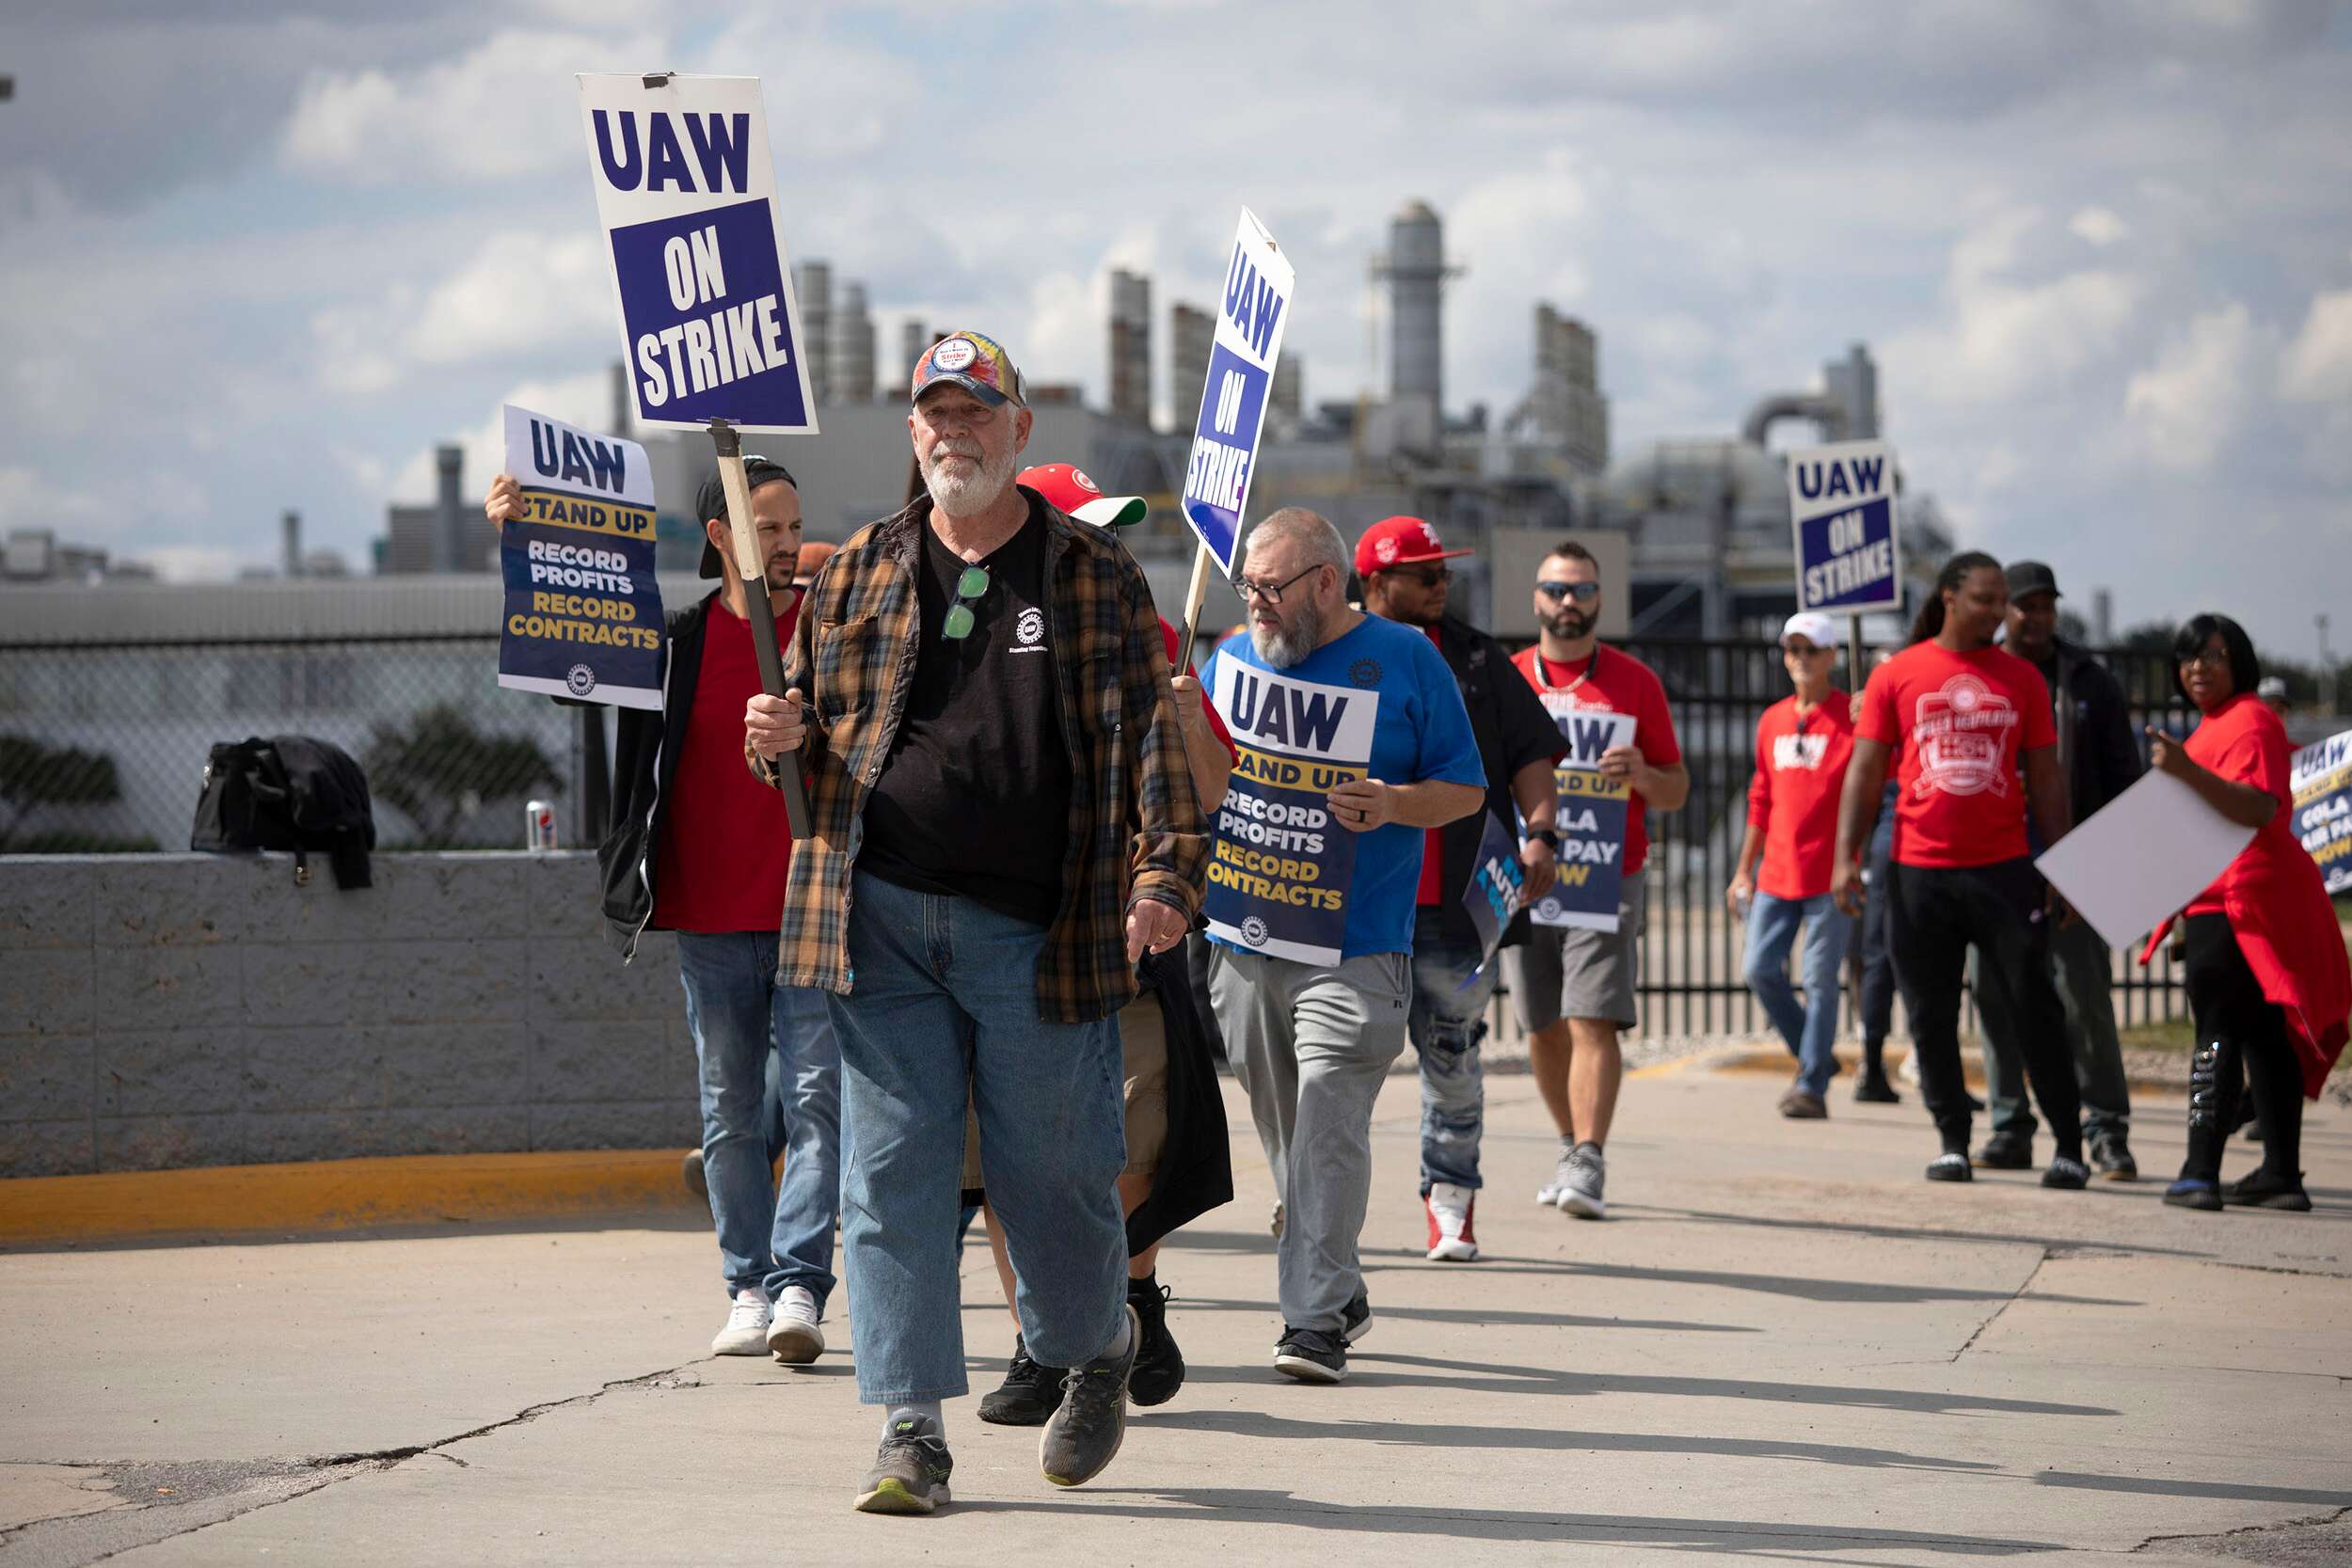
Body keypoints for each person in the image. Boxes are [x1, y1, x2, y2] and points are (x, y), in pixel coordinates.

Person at [742, 330, 1206, 1514]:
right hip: (878, 919)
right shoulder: (857, 568)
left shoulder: (1092, 572)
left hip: (1040, 930)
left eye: (976, 411)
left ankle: (1094, 1346)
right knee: (890, 1178)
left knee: (1052, 1174)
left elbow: (1152, 739)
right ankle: (909, 1426)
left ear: (1018, 428)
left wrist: (1165, 875)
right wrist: (773, 737)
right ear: (914, 432)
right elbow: (800, 726)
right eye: (936, 413)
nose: (956, 431)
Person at [484, 459, 842, 1365]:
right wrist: (519, 540)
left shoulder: (828, 631)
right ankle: (748, 1288)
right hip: (707, 916)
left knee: (817, 1103)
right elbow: (566, 658)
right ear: (720, 536)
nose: (790, 543)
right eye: (769, 527)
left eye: (795, 525)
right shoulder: (672, 642)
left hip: (811, 909)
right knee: (729, 1111)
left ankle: (800, 1284)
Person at [970, 461, 1236, 1426]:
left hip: (1127, 939)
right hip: (1007, 935)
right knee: (1003, 1159)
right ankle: (1039, 1344)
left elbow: (1210, 789)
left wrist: (1181, 713)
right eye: (1087, 525)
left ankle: (1129, 1294)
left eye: (1111, 528)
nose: (1104, 543)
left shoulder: (1146, 631)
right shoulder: (972, 628)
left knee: (1129, 1139)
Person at [1202, 506, 1485, 1382]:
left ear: (1326, 582)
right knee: (1288, 1132)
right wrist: (1183, 720)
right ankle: (1340, 1280)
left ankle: (1314, 1320)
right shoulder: (1231, 658)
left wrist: (1395, 802)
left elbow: (1465, 789)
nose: (1255, 602)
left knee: (1326, 1112)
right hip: (1244, 939)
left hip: (1355, 946)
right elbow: (1203, 786)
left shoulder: (1407, 659)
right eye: (1247, 586)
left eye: (1271, 587)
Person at [1831, 553, 2090, 1188]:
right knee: (1930, 1012)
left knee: (2034, 1005)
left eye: (2002, 600)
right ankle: (1953, 1141)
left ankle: (2069, 1144)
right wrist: (1845, 856)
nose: (1998, 611)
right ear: (1948, 597)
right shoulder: (1898, 674)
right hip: (1918, 873)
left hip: (2003, 871)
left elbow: (2046, 777)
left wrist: (2062, 865)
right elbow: (1865, 770)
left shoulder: (2022, 679)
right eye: (1984, 599)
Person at [1355, 515, 1563, 1261]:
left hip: (1456, 904)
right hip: (1356, 899)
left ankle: (1450, 1198)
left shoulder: (1476, 658)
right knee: (1340, 1057)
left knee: (1452, 1052)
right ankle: (1313, 1192)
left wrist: (1541, 833)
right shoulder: (1333, 651)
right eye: (1427, 574)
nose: (1443, 585)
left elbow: (1531, 753)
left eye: (1446, 573)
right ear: (1377, 581)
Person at [1504, 541, 1688, 1220]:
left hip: (1607, 873)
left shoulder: (1635, 682)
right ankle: (1568, 1144)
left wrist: (1642, 774)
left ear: (1600, 599)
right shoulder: (1511, 677)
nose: (1568, 602)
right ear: (1536, 598)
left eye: (1581, 590)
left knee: (1592, 1015)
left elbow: (1676, 790)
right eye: (1557, 589)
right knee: (1541, 1023)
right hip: (1526, 874)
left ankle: (1589, 1154)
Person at [2153, 615, 2349, 1212]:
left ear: (2239, 661)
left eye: (2213, 656)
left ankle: (2199, 1171)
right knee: (2266, 1036)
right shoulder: (2219, 725)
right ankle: (2281, 1175)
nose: (2198, 668)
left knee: (2215, 1034)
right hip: (2241, 897)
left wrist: (2185, 771)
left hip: (2239, 900)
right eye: (2188, 658)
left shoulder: (2250, 720)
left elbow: (2260, 806)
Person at [1970, 562, 2141, 1179]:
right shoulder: (1981, 673)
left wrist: (2111, 861)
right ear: (2004, 611)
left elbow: (2124, 777)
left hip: (2078, 862)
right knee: (1994, 994)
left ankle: (2106, 1129)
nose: (2038, 617)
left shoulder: (2088, 679)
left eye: (2047, 606)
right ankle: (2010, 1125)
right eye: (2027, 606)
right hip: (1996, 863)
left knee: (2083, 997)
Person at [1727, 612, 1856, 1120]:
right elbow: (1760, 799)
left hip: (1831, 874)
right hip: (1777, 873)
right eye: (1793, 649)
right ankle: (1814, 1053)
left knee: (1821, 979)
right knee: (1759, 969)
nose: (1800, 659)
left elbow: (1879, 784)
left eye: (1811, 650)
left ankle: (1810, 1085)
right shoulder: (1772, 720)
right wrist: (1743, 869)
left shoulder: (1853, 716)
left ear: (1832, 657)